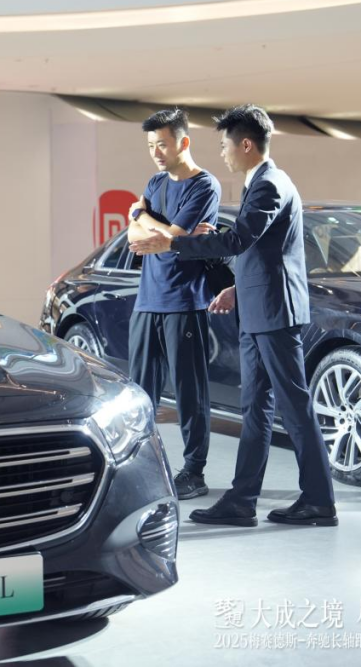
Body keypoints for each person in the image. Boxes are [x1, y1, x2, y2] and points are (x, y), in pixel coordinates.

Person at [129, 104, 338, 527]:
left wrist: (173, 243)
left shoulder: (269, 184)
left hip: (275, 313)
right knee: (255, 409)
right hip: (258, 309)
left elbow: (240, 240)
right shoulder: (260, 183)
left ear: (245, 144)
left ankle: (319, 501)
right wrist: (236, 288)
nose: (222, 153)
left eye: (225, 145)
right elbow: (261, 252)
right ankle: (241, 501)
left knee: (294, 407)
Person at [126, 108, 222, 499]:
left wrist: (141, 214)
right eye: (151, 145)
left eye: (162, 144)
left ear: (183, 142)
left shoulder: (205, 186)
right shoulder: (155, 182)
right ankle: (139, 464)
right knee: (140, 393)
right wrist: (150, 224)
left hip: (184, 301)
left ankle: (194, 472)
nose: (156, 153)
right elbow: (134, 236)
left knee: (189, 393)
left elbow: (173, 237)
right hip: (147, 301)